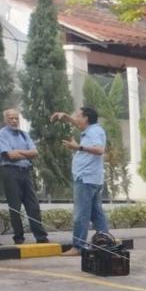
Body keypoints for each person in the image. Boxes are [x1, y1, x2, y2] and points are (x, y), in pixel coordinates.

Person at [50, 106, 109, 256]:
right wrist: (66, 117)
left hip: (86, 178)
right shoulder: (92, 129)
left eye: (78, 116)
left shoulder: (94, 132)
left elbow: (100, 150)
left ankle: (78, 246)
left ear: (86, 119)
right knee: (97, 214)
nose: (75, 120)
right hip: (91, 178)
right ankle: (106, 242)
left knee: (81, 214)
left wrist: (78, 146)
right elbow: (77, 124)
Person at [0, 108, 48, 245]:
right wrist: (26, 153)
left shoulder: (24, 135)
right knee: (15, 207)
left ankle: (41, 237)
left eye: (16, 118)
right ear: (5, 120)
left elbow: (35, 152)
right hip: (10, 172)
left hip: (25, 172)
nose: (14, 121)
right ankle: (18, 238)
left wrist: (18, 152)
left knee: (33, 206)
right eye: (11, 118)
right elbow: (10, 155)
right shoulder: (1, 134)